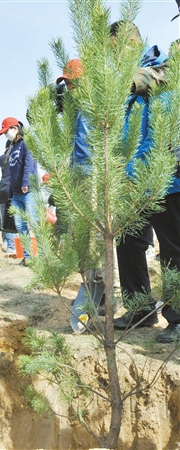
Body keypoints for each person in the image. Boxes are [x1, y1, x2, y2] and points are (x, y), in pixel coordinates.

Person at [111, 22, 180, 343]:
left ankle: (178, 317)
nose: (112, 57)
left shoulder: (165, 71)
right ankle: (140, 309)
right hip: (130, 182)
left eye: (115, 49)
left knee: (173, 250)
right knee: (128, 245)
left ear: (132, 42)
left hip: (165, 177)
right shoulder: (118, 85)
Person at [0, 117, 38, 265]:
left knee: (35, 222)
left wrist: (25, 182)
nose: (6, 135)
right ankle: (28, 257)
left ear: (15, 128)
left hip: (28, 191)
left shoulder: (26, 144)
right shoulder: (12, 148)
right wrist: (11, 193)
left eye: (7, 131)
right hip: (16, 194)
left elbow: (29, 164)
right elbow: (11, 172)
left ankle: (44, 256)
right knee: (20, 226)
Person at [0, 142, 18, 255]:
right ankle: (11, 247)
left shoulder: (2, 158)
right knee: (11, 220)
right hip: (10, 189)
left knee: (4, 219)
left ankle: (5, 243)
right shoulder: (13, 158)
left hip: (2, 190)